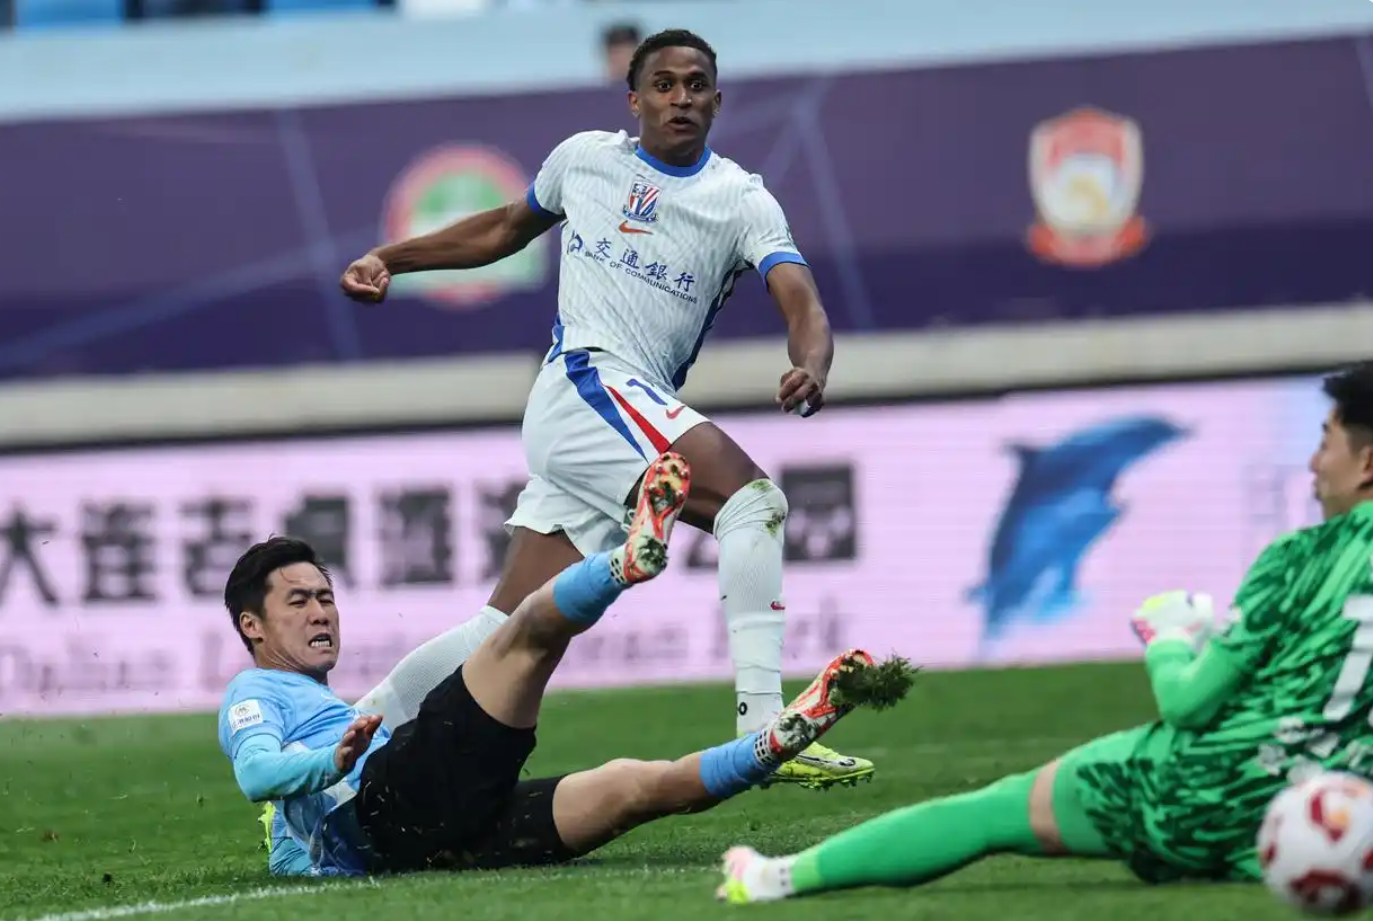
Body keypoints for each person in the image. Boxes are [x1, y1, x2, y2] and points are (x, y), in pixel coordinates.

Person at [339, 28, 865, 789]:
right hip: (584, 383)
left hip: (612, 411)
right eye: (663, 84)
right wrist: (390, 257)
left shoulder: (742, 200)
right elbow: (500, 229)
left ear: (717, 102)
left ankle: (339, 754)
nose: (679, 98)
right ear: (635, 99)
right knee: (752, 503)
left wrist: (809, 364)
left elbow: (801, 300)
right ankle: (762, 725)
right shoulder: (584, 158)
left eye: (695, 85)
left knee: (500, 629)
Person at [716, 364, 1373, 902]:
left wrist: (1171, 635)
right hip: (1323, 807)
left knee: (990, 812)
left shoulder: (1300, 558)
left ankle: (770, 878)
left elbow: (1187, 703)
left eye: (1324, 441)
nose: (1311, 462)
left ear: (1364, 462)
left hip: (1193, 790)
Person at [218, 454, 913, 877]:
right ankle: (624, 560)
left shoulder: (335, 719)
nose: (321, 612)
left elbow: (296, 825)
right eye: (299, 601)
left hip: (437, 839)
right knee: (524, 638)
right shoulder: (254, 692)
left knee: (631, 789)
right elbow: (255, 772)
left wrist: (313, 799)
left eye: (326, 598)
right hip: (392, 804)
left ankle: (771, 742)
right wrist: (330, 766)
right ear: (251, 625)